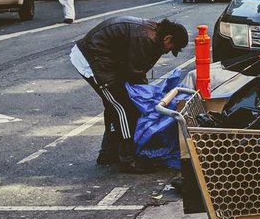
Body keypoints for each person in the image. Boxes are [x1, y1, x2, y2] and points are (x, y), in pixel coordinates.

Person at [70, 16, 189, 173]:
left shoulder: (152, 33)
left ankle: (108, 153)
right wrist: (148, 100)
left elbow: (135, 72)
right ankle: (128, 159)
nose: (167, 52)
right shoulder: (146, 39)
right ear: (168, 38)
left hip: (102, 57)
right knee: (123, 107)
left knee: (113, 105)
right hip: (93, 60)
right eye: (170, 47)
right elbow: (135, 73)